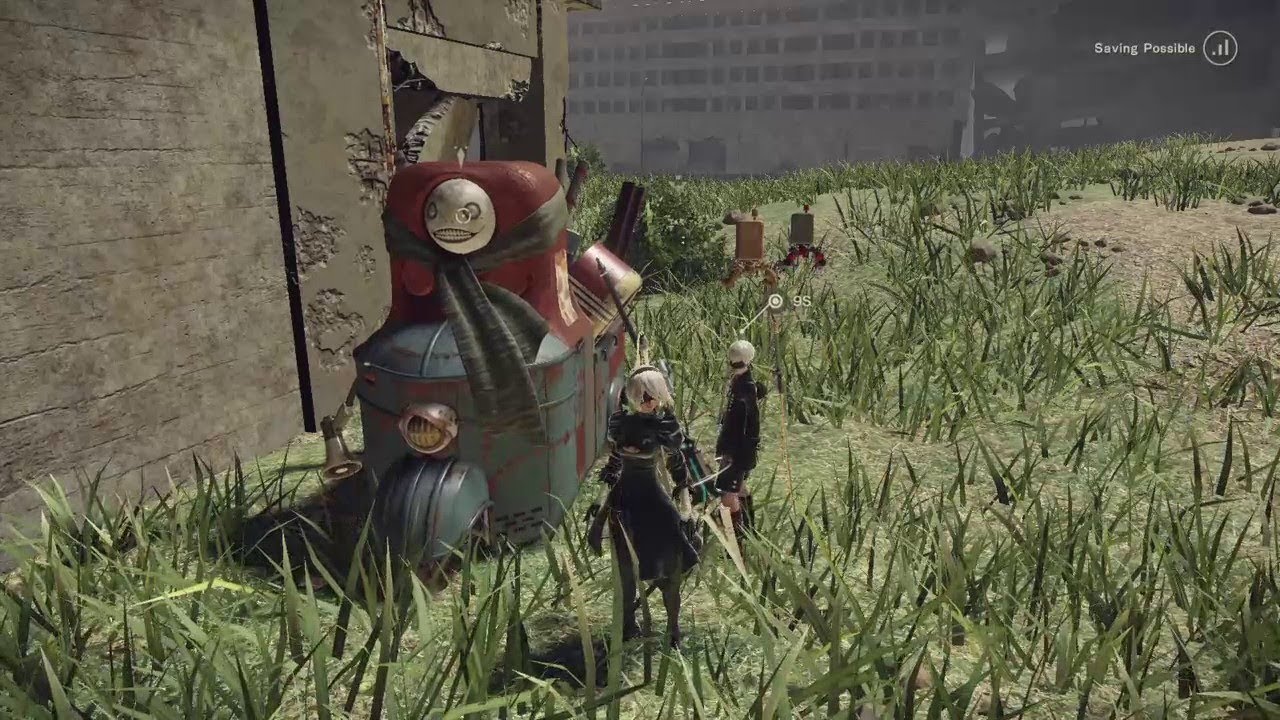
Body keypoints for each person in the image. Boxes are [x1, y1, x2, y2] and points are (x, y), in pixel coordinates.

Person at [587, 366, 700, 647]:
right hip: (624, 499)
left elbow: (676, 463)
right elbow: (614, 464)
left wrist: (685, 503)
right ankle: (628, 625)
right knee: (626, 571)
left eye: (651, 395)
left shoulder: (663, 426)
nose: (648, 401)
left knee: (671, 561)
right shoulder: (622, 424)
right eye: (642, 395)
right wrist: (599, 501)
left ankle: (673, 628)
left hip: (651, 498)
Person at [715, 339, 766, 540]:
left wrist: (733, 456)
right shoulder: (741, 385)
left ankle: (737, 543)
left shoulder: (745, 392)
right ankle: (750, 533)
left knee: (728, 496)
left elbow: (749, 428)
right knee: (741, 488)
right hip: (738, 451)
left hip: (736, 453)